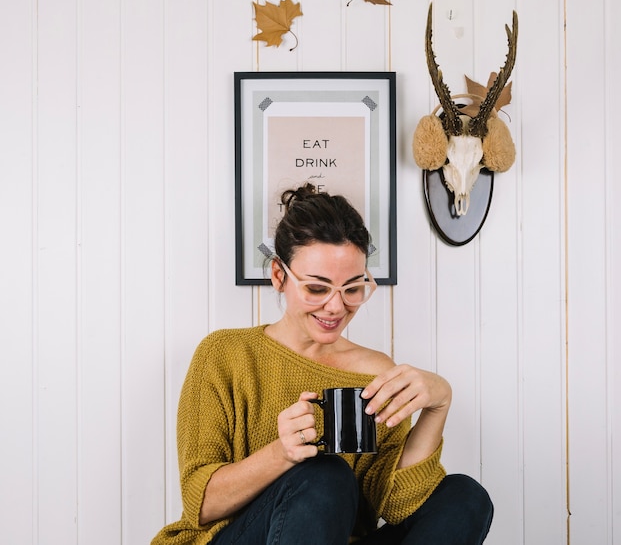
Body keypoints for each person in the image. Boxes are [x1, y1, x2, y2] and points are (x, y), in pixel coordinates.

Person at [151, 184, 493, 545]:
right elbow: (200, 505)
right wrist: (282, 453)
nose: (335, 307)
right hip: (232, 538)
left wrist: (438, 405)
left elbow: (396, 505)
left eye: (352, 288)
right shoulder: (225, 354)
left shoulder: (376, 373)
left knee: (465, 497)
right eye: (317, 288)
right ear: (279, 276)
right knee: (325, 473)